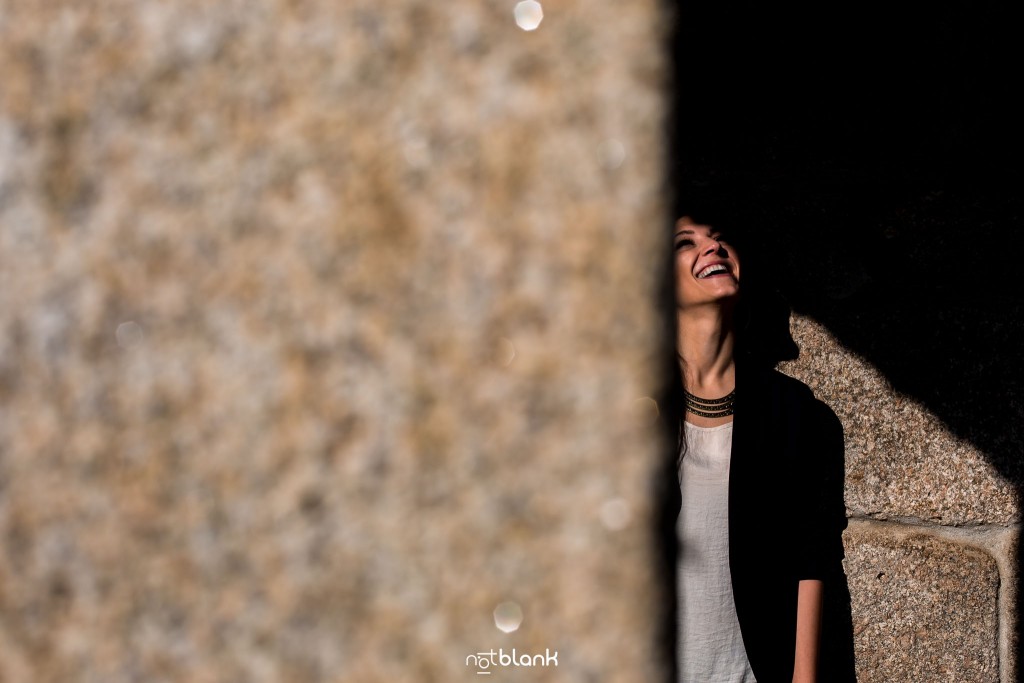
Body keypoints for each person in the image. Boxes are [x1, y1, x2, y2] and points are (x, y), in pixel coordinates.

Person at [670, 214, 848, 683]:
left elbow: (813, 556)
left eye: (720, 238)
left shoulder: (794, 412)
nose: (712, 247)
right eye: (684, 244)